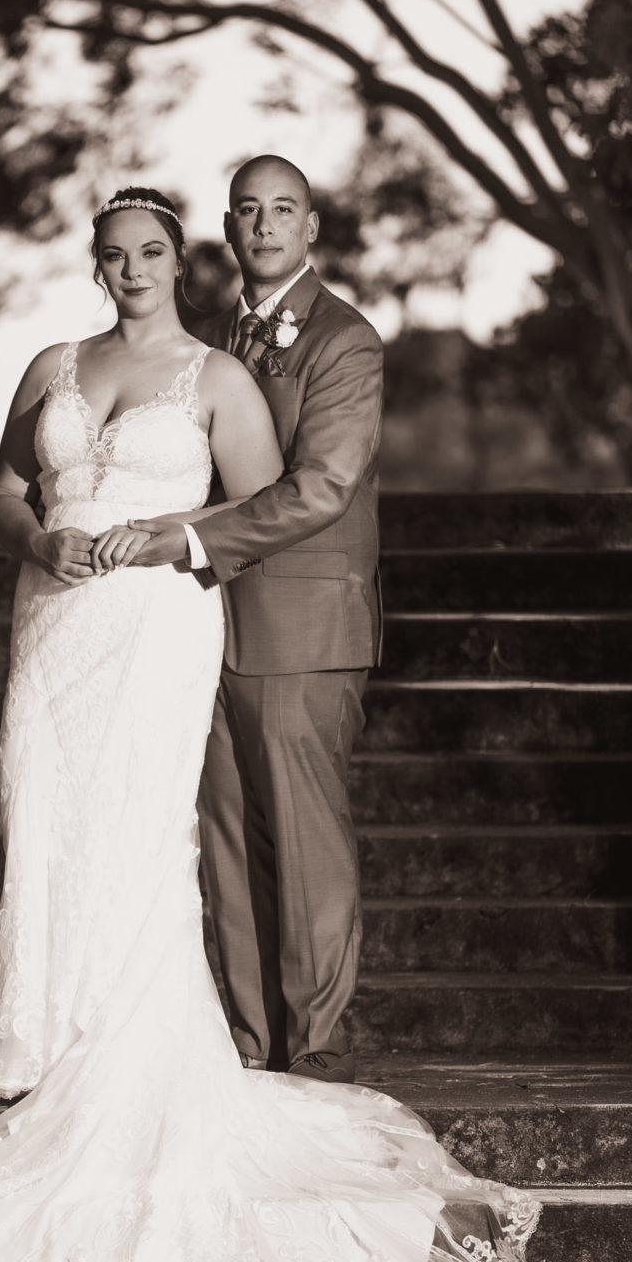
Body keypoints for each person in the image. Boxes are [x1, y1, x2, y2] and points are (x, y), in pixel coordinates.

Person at [0, 187, 538, 1262]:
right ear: (96, 265)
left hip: (155, 625)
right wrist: (41, 538)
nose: (133, 267)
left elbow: (269, 506)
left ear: (178, 260)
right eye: (114, 254)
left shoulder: (222, 376)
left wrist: (162, 542)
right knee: (45, 822)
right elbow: (0, 491)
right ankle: (44, 1041)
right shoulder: (52, 364)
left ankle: (155, 1052)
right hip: (53, 622)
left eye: (151, 250)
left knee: (142, 832)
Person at [117, 155, 381, 1085]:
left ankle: (317, 1051)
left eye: (284, 210)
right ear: (228, 232)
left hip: (304, 624)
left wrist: (186, 539)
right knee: (226, 837)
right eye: (247, 212)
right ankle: (249, 1045)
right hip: (204, 629)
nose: (265, 226)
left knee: (306, 841)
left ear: (312, 228)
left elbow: (323, 488)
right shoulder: (215, 340)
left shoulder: (346, 342)